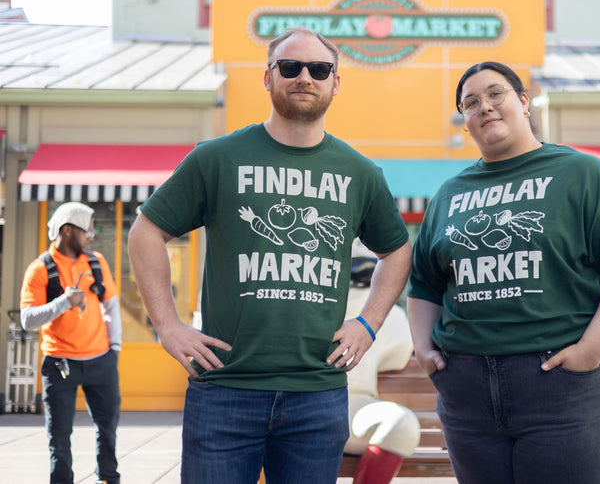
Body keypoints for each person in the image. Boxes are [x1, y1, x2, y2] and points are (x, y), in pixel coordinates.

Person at [127, 26, 411, 484]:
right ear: (267, 78)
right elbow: (145, 233)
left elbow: (397, 252)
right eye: (290, 66)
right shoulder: (217, 158)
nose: (305, 76)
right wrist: (167, 326)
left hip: (316, 394)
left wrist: (368, 323)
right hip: (225, 389)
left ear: (335, 82)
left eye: (319, 69)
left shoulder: (360, 173)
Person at [406, 61, 600, 484]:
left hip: (563, 383)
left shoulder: (581, 173)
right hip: (467, 390)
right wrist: (423, 346)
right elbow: (425, 285)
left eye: (496, 94)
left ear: (523, 102)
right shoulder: (448, 195)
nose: (485, 107)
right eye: (471, 103)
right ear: (465, 122)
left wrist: (590, 350)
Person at [20, 202, 122, 484]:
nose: (92, 235)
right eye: (88, 230)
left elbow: (111, 307)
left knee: (108, 428)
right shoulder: (39, 270)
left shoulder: (96, 262)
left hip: (101, 360)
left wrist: (114, 349)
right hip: (59, 364)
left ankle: (109, 478)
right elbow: (28, 319)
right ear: (67, 231)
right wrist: (64, 301)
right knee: (60, 436)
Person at [344, 242, 420, 484]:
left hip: (352, 406)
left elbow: (398, 351)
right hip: (295, 398)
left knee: (400, 425)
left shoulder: (391, 317)